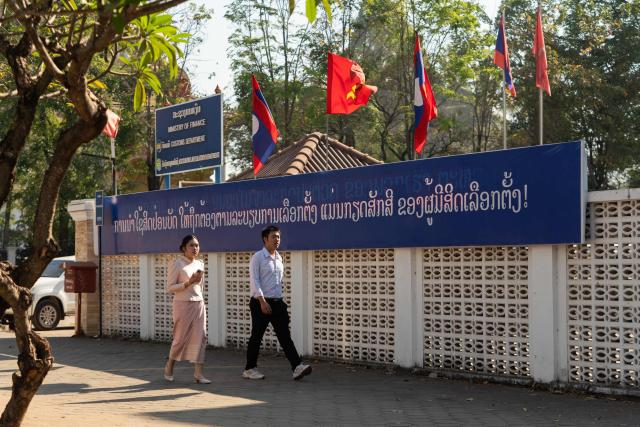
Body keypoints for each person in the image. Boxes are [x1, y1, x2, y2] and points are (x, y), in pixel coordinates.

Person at [243, 225, 312, 380]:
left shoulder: (279, 258)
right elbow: (255, 281)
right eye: (273, 237)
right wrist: (262, 301)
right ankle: (250, 368)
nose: (277, 240)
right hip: (260, 302)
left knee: (284, 335)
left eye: (278, 237)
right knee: (257, 336)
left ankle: (297, 366)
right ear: (265, 239)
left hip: (277, 303)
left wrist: (279, 301)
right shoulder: (258, 257)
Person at [163, 234, 210, 384]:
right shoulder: (177, 263)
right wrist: (187, 283)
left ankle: (198, 374)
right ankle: (169, 367)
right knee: (180, 339)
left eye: (197, 245)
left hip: (199, 304)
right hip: (182, 305)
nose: (195, 248)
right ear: (184, 248)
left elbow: (200, 287)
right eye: (191, 245)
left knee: (201, 338)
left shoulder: (200, 264)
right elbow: (170, 288)